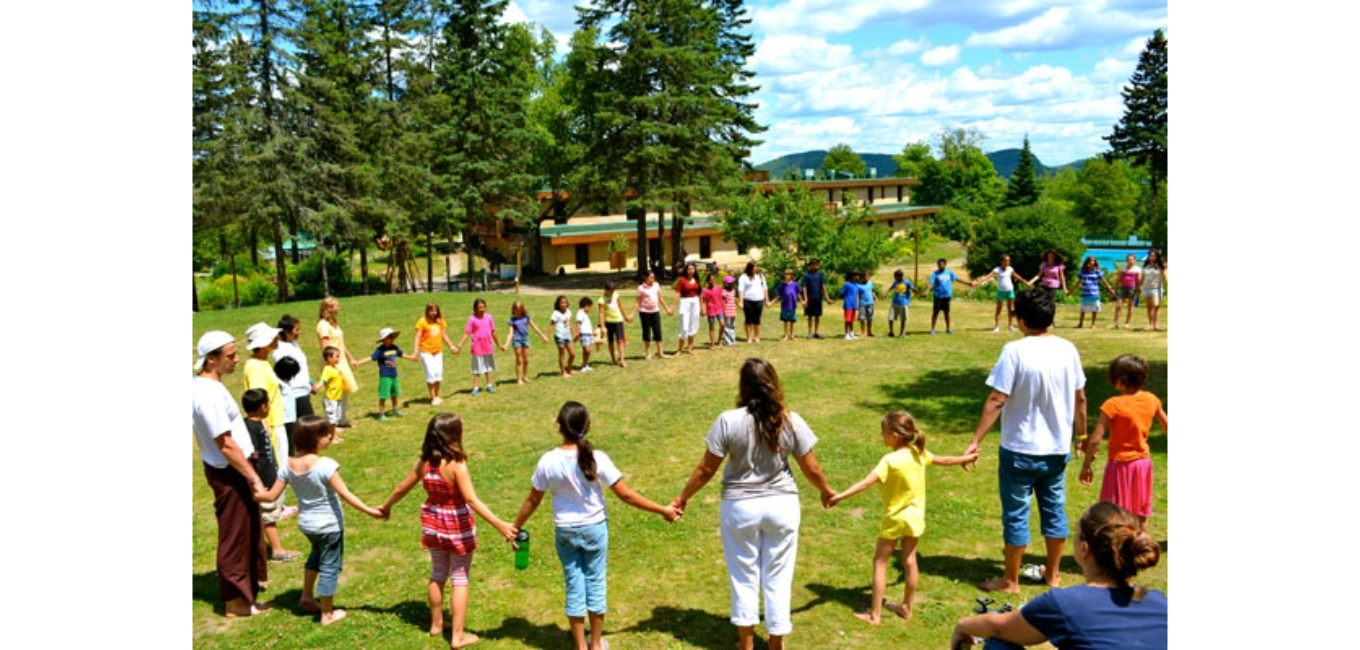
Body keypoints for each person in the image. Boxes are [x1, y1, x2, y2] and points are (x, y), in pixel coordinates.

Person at [670, 358, 837, 650]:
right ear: (773, 383)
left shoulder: (728, 420)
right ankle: (775, 643)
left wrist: (683, 498)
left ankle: (746, 644)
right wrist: (824, 490)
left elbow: (706, 469)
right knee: (778, 577)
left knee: (743, 576)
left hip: (739, 507)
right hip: (782, 506)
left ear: (743, 386)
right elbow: (811, 468)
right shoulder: (790, 420)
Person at [510, 401, 682, 650]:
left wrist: (516, 526)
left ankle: (580, 646)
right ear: (588, 426)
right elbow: (626, 495)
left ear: (559, 427)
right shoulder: (597, 458)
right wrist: (662, 510)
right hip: (595, 529)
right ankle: (596, 644)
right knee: (596, 582)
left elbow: (532, 499)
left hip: (565, 531)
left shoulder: (548, 460)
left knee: (574, 585)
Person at [963, 288, 1087, 593]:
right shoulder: (1068, 349)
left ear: (1020, 318)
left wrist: (976, 439)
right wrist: (1081, 436)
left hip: (1019, 448)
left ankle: (1011, 581)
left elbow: (996, 399)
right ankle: (1053, 575)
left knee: (1017, 514)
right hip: (1057, 449)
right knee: (1055, 509)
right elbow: (1080, 398)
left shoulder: (1014, 351)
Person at [378, 413, 517, 647]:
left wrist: (386, 506)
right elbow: (471, 500)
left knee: (438, 572)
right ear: (454, 435)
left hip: (433, 523)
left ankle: (436, 624)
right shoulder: (456, 465)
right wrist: (500, 524)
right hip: (456, 525)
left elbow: (402, 487)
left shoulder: (424, 463)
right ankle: (458, 636)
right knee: (460, 577)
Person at [950, 502, 1166, 650]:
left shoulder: (1065, 604)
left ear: (1084, 549)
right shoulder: (1161, 603)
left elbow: (998, 626)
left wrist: (963, 625)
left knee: (999, 644)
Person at [828, 411, 977, 624]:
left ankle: (875, 615)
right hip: (914, 519)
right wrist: (966, 458)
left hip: (894, 519)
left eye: (883, 432)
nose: (881, 436)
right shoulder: (918, 452)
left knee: (880, 563)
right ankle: (907, 608)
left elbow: (865, 483)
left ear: (895, 435)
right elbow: (944, 460)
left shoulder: (889, 461)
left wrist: (840, 496)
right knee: (910, 561)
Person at [253, 416, 386, 626]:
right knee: (329, 566)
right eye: (325, 435)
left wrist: (254, 494)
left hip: (307, 525)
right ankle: (327, 614)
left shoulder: (288, 464)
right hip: (329, 526)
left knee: (316, 556)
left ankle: (307, 595)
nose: (329, 437)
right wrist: (371, 511)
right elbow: (346, 495)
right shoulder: (326, 465)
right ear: (313, 438)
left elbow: (270, 496)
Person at [194, 331, 271, 618]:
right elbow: (225, 445)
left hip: (236, 469)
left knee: (248, 531)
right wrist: (254, 477)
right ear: (210, 359)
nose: (237, 360)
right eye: (230, 356)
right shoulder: (207, 394)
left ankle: (247, 595)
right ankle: (237, 603)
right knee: (235, 537)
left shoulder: (210, 386)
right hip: (230, 472)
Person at [1079, 355, 1168, 532]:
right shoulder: (1152, 400)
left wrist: (1086, 465)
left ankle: (1115, 554)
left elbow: (1096, 440)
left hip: (1120, 466)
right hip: (1143, 465)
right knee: (1140, 514)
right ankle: (1141, 549)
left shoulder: (1112, 405)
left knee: (1111, 514)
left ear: (1120, 380)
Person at [243, 388, 299, 563]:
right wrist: (259, 479)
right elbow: (254, 456)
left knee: (264, 515)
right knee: (269, 516)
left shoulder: (258, 423)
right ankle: (277, 550)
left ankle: (259, 546)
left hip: (269, 476)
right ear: (263, 406)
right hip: (263, 480)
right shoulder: (251, 428)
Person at [243, 322, 290, 460]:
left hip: (276, 420)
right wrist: (264, 426)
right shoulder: (256, 367)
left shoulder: (263, 362)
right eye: (273, 338)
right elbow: (257, 397)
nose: (277, 340)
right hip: (271, 423)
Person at [317, 297, 360, 428]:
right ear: (328, 309)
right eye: (336, 306)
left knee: (345, 389)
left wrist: (350, 358)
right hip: (332, 362)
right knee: (333, 391)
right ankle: (332, 422)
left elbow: (341, 344)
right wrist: (330, 364)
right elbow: (326, 347)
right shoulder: (323, 325)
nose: (338, 308)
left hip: (341, 361)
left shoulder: (334, 323)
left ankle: (341, 419)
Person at [358, 327, 417, 420]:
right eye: (390, 337)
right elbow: (371, 358)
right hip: (385, 376)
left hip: (394, 375)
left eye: (393, 337)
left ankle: (395, 410)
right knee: (383, 395)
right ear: (384, 339)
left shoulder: (394, 348)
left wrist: (412, 358)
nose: (392, 338)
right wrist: (358, 362)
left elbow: (402, 354)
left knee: (394, 393)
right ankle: (381, 414)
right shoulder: (380, 350)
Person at [273, 314, 316, 428]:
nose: (299, 332)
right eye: (297, 329)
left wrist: (310, 383)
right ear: (287, 331)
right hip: (295, 393)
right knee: (308, 428)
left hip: (303, 390)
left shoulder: (293, 344)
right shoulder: (281, 350)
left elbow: (301, 368)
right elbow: (282, 373)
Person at [452, 298, 501, 396]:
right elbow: (467, 333)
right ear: (475, 309)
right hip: (477, 347)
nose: (482, 309)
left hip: (488, 346)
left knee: (488, 367)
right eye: (479, 308)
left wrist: (499, 344)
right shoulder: (472, 319)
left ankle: (489, 385)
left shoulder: (489, 317)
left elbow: (493, 332)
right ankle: (475, 387)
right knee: (476, 369)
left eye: (483, 307)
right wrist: (459, 346)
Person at [971, 255, 1031, 333]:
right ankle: (996, 327)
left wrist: (1025, 282)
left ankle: (1010, 326)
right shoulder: (997, 270)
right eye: (1006, 261)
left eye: (1009, 261)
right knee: (998, 309)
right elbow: (987, 277)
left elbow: (1017, 276)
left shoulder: (1010, 269)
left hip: (1010, 291)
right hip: (1001, 292)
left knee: (1010, 309)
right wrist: (977, 283)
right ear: (1002, 261)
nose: (1007, 262)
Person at [414, 303, 457, 406]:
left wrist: (451, 346)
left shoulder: (440, 321)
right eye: (431, 311)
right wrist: (416, 351)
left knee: (438, 374)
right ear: (427, 311)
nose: (434, 313)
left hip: (438, 351)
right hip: (426, 351)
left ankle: (437, 396)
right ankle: (432, 397)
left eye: (435, 311)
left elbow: (444, 335)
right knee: (430, 374)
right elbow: (418, 337)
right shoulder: (422, 321)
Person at [501, 300, 551, 385]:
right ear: (513, 309)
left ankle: (525, 376)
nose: (518, 311)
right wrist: (506, 344)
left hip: (525, 338)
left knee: (526, 360)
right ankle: (519, 379)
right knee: (519, 360)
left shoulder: (526, 317)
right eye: (516, 309)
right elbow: (510, 333)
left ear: (522, 309)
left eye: (519, 309)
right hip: (517, 339)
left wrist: (543, 336)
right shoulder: (512, 320)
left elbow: (534, 327)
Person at [630, 271, 673, 360]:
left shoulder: (656, 285)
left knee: (657, 332)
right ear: (645, 278)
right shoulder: (641, 288)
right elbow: (637, 302)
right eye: (651, 277)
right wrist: (632, 314)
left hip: (655, 311)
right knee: (646, 333)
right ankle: (648, 353)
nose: (653, 279)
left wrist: (667, 309)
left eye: (653, 277)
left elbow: (660, 298)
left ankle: (660, 353)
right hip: (644, 312)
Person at [928, 259, 973, 335]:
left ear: (945, 265)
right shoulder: (935, 274)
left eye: (942, 264)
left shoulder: (949, 273)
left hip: (947, 296)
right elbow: (930, 283)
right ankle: (933, 329)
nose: (940, 266)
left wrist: (967, 283)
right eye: (939, 264)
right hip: (938, 296)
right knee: (935, 313)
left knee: (947, 313)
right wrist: (927, 290)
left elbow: (957, 279)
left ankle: (948, 328)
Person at [272, 356, 304, 455]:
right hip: (284, 419)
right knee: (286, 446)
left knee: (291, 444)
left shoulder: (285, 383)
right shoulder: (278, 384)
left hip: (291, 418)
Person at [316, 346, 348, 441]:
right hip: (331, 399)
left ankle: (335, 436)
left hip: (337, 398)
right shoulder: (327, 369)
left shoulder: (335, 368)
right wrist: (316, 387)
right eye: (336, 356)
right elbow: (323, 381)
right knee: (331, 420)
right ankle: (332, 437)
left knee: (336, 418)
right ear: (329, 358)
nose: (338, 358)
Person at [598, 281, 631, 368]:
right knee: (611, 341)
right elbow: (601, 313)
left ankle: (622, 360)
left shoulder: (616, 295)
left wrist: (626, 316)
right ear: (606, 290)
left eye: (613, 290)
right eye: (611, 291)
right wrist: (602, 326)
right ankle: (613, 359)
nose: (612, 292)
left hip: (618, 320)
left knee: (620, 340)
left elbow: (620, 306)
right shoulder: (601, 300)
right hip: (608, 322)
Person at [1076, 257, 1114, 329]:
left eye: (1093, 261)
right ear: (1087, 263)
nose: (1092, 263)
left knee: (1094, 309)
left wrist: (1110, 289)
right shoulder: (1082, 271)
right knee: (1082, 309)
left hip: (1094, 293)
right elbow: (1078, 282)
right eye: (1090, 261)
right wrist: (1071, 291)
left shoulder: (1097, 271)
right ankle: (1080, 323)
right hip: (1085, 293)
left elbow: (1104, 281)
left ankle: (1093, 324)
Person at [675, 263, 703, 354]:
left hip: (695, 302)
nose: (691, 271)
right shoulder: (682, 280)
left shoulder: (697, 280)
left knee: (694, 324)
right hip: (685, 302)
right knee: (684, 326)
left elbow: (700, 294)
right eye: (689, 269)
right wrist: (672, 306)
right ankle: (680, 349)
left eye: (693, 269)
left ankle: (690, 348)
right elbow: (677, 293)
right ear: (686, 270)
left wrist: (702, 308)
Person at [738, 262, 768, 343]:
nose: (755, 269)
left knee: (757, 319)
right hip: (747, 300)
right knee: (748, 319)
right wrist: (741, 301)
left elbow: (765, 288)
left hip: (759, 300)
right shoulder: (743, 277)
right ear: (749, 268)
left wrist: (766, 300)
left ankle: (757, 337)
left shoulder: (760, 276)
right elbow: (741, 290)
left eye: (756, 267)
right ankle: (749, 337)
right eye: (754, 267)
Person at [769, 269, 802, 342]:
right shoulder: (782, 285)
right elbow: (778, 296)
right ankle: (785, 336)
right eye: (786, 274)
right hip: (784, 305)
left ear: (791, 276)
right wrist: (772, 302)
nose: (787, 275)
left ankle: (792, 335)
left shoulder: (795, 284)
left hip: (792, 305)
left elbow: (798, 294)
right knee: (785, 321)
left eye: (789, 274)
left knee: (792, 321)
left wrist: (802, 301)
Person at [1139, 249, 1167, 331]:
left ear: (1157, 257)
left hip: (1156, 289)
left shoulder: (1161, 266)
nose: (1152, 257)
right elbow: (1142, 278)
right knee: (1149, 307)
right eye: (1150, 256)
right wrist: (1138, 287)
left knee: (1156, 305)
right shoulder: (1145, 266)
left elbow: (1165, 275)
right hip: (1146, 288)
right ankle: (1151, 324)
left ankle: (1155, 324)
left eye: (1154, 256)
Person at [800, 258, 828, 339]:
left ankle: (817, 332)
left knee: (817, 315)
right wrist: (805, 298)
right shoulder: (806, 275)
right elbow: (804, 287)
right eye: (815, 265)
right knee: (810, 316)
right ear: (811, 265)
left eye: (818, 265)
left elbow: (823, 286)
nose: (817, 266)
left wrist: (826, 297)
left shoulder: (820, 274)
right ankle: (810, 332)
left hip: (818, 298)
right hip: (809, 298)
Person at [551, 296, 578, 378]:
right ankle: (563, 372)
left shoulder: (568, 312)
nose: (564, 304)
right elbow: (551, 325)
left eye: (565, 303)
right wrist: (546, 336)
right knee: (562, 354)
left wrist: (574, 333)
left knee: (572, 354)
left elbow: (570, 323)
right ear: (558, 304)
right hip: (559, 336)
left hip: (567, 335)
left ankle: (569, 369)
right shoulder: (556, 313)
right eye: (562, 303)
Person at [1112, 254, 1140, 330]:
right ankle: (1115, 322)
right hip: (1123, 288)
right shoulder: (1123, 268)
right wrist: (1115, 287)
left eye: (1131, 259)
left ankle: (1127, 323)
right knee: (1119, 305)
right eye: (1128, 259)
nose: (1130, 261)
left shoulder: (1137, 269)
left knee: (1130, 306)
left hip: (1132, 288)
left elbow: (1138, 281)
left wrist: (1138, 290)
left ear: (1134, 260)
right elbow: (1119, 279)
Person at [885, 269, 915, 338]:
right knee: (890, 317)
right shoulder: (895, 282)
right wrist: (885, 293)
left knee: (903, 318)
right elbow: (891, 288)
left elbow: (913, 288)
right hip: (895, 302)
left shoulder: (907, 282)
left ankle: (901, 333)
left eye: (896, 277)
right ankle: (891, 332)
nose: (895, 278)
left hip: (903, 303)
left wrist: (920, 293)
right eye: (895, 277)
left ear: (901, 276)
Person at [834, 271, 861, 340]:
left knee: (852, 320)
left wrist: (857, 303)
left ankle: (851, 333)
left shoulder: (856, 285)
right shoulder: (847, 284)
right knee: (847, 320)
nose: (858, 277)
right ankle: (846, 334)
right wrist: (835, 300)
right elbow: (841, 292)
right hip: (848, 304)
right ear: (853, 276)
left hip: (853, 304)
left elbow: (857, 294)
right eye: (857, 275)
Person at [701, 272, 725, 350]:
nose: (712, 281)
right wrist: (703, 310)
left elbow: (722, 299)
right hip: (711, 310)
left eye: (713, 279)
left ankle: (720, 340)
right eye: (710, 280)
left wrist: (724, 308)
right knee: (712, 327)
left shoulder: (719, 288)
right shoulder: (706, 290)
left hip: (719, 309)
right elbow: (704, 301)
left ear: (715, 279)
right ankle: (712, 344)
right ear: (708, 281)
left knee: (722, 324)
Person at [575, 297, 597, 372]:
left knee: (588, 351)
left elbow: (588, 325)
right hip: (584, 334)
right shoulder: (580, 313)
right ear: (586, 305)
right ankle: (584, 365)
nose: (589, 309)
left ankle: (585, 364)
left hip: (588, 334)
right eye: (589, 307)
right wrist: (577, 333)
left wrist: (593, 331)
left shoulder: (585, 315)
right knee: (587, 350)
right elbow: (578, 324)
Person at [857, 271, 879, 337]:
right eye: (866, 276)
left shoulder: (870, 283)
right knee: (862, 318)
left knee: (870, 318)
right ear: (862, 278)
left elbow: (872, 291)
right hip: (862, 304)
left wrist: (876, 298)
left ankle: (869, 332)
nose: (868, 277)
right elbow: (857, 294)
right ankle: (863, 332)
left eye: (868, 276)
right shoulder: (858, 285)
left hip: (870, 303)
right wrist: (857, 302)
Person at [721, 275, 739, 346]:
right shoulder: (724, 292)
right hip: (727, 312)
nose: (733, 284)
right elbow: (723, 302)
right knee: (727, 327)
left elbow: (734, 300)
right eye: (731, 283)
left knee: (732, 326)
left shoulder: (733, 291)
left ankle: (733, 340)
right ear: (727, 284)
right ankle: (728, 341)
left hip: (732, 312)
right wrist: (724, 311)